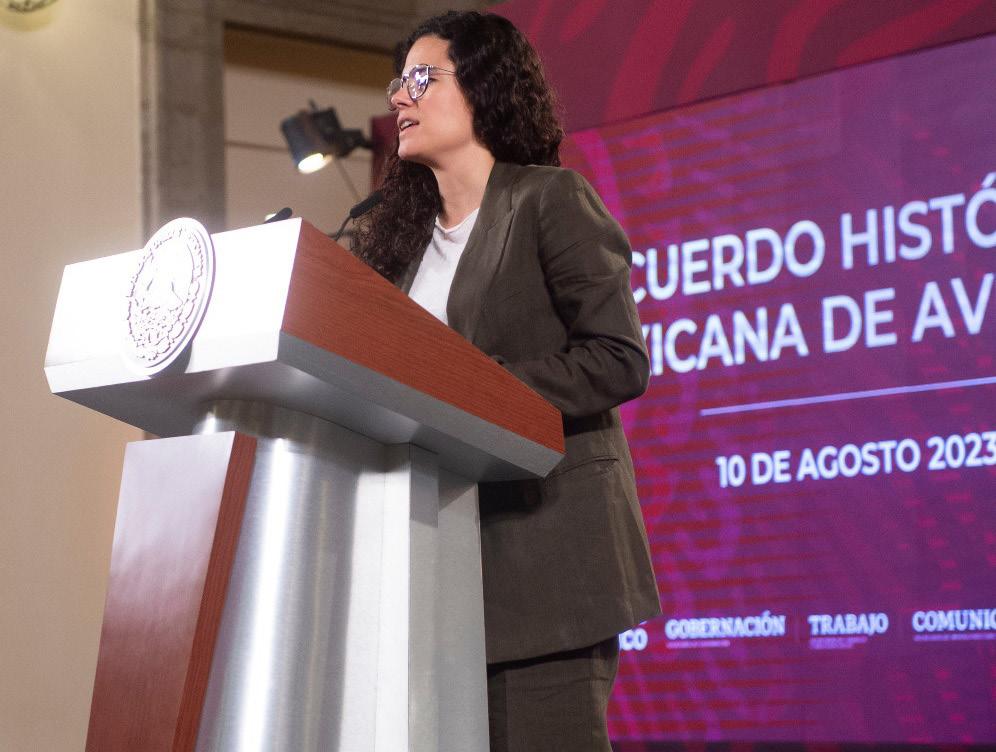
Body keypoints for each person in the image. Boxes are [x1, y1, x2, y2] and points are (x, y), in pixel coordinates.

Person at [352, 11, 660, 752]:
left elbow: (618, 357)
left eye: (421, 77)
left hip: (545, 573)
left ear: (483, 87)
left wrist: (479, 388)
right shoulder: (397, 248)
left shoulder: (549, 199)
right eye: (397, 81)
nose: (399, 96)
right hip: (431, 572)